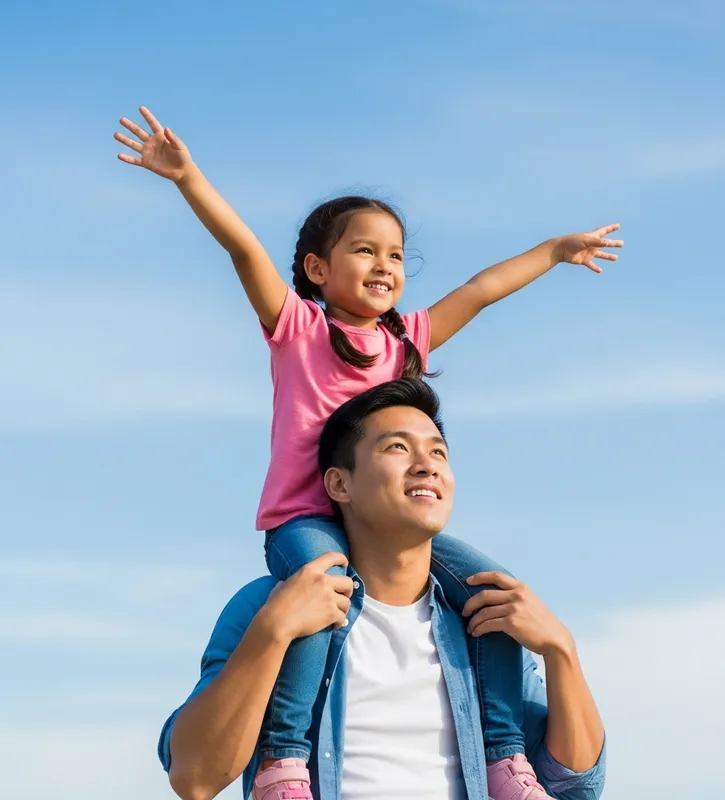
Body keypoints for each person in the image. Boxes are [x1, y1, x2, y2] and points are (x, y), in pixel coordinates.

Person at [115, 106, 621, 800]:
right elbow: (243, 251)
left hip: (367, 530)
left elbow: (480, 291)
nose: (384, 264)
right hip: (304, 518)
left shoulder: (405, 343)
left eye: (395, 254)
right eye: (364, 250)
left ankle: (505, 755)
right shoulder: (299, 328)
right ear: (317, 268)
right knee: (321, 600)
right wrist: (188, 178)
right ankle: (284, 762)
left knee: (494, 592)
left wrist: (554, 251)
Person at [159, 379, 606, 800]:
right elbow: (195, 778)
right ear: (340, 484)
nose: (426, 465)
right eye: (397, 447)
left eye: (438, 452)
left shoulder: (483, 624)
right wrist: (272, 633)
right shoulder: (270, 605)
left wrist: (561, 650)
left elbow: (575, 785)